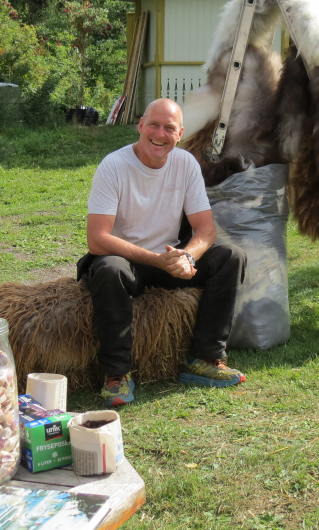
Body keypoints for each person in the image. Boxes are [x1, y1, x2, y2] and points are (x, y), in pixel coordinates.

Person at [81, 98, 247, 407]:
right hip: (126, 261)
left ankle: (205, 359)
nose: (160, 134)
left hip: (171, 259)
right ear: (140, 125)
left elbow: (205, 230)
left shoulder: (185, 164)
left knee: (231, 257)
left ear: (180, 133)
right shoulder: (113, 166)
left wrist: (188, 257)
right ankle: (116, 374)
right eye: (153, 125)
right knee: (109, 270)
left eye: (169, 128)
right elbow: (97, 239)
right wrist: (157, 259)